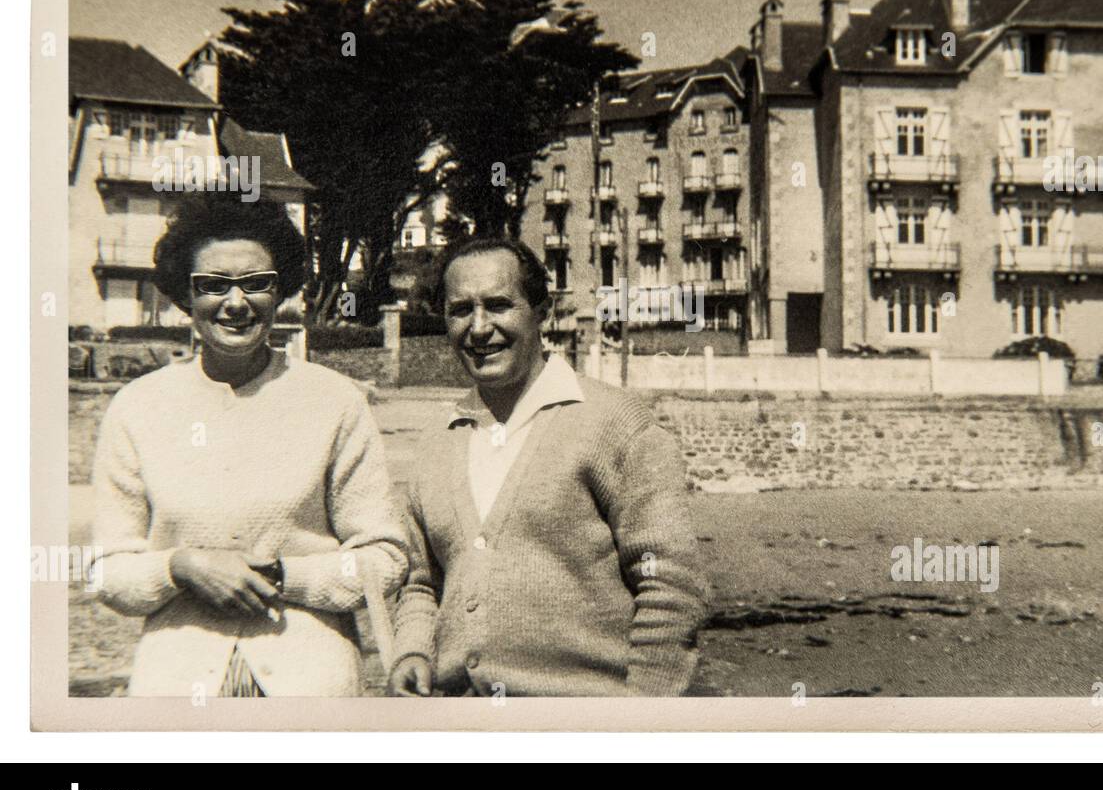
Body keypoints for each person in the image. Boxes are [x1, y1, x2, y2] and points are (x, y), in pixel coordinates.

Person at [89, 196, 407, 697]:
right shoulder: (138, 408)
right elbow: (108, 571)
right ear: (184, 297)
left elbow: (385, 558)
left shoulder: (334, 401)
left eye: (257, 283)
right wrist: (180, 567)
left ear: (280, 290)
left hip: (310, 693)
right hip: (176, 693)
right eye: (213, 286)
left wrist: (285, 576)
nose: (235, 303)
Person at [388, 236, 709, 698]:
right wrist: (414, 652)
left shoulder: (614, 424)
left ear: (543, 312)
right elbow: (421, 583)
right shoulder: (438, 440)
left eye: (499, 306)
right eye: (461, 310)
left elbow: (671, 584)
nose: (479, 328)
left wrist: (643, 713)